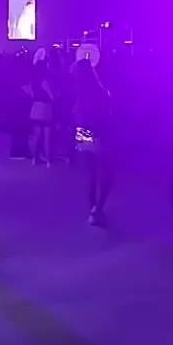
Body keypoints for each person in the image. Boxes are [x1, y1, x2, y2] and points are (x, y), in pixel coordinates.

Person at [72, 58, 113, 226]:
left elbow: (75, 113)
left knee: (91, 173)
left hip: (83, 131)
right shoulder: (102, 91)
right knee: (107, 171)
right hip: (100, 131)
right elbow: (108, 113)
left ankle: (92, 209)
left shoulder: (79, 91)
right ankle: (98, 207)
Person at [27, 59, 54, 165]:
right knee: (47, 135)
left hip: (35, 107)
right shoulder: (46, 81)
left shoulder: (33, 81)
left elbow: (31, 95)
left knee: (36, 135)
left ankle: (34, 158)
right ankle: (48, 159)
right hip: (46, 108)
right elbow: (52, 97)